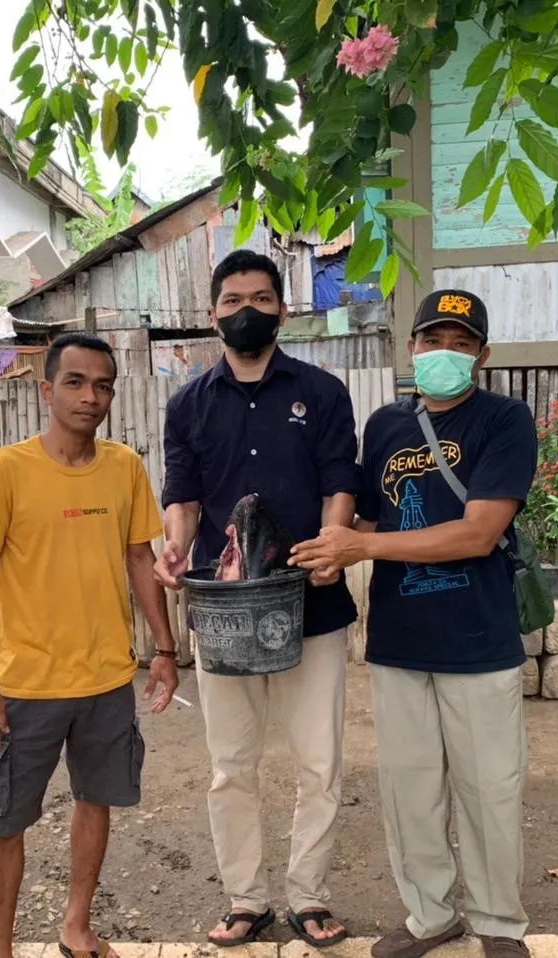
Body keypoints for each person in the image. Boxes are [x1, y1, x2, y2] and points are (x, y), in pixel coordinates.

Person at [289, 290, 538, 958]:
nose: (444, 353)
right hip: (399, 640)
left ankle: (498, 922)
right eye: (433, 340)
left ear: (483, 355)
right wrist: (326, 547)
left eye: (461, 343)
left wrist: (360, 547)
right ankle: (431, 916)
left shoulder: (505, 420)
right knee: (410, 791)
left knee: (489, 791)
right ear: (411, 348)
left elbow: (479, 533)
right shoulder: (387, 425)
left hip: (479, 640)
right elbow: (369, 519)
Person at [154, 249, 362, 949]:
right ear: (213, 314)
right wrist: (175, 546)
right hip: (224, 612)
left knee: (319, 763)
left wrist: (331, 546)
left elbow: (340, 482)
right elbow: (183, 497)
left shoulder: (323, 393)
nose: (248, 310)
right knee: (230, 766)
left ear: (282, 309)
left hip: (311, 601)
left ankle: (309, 896)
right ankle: (246, 900)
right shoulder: (187, 404)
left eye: (262, 299)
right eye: (234, 300)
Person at [0, 332, 180, 958]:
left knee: (96, 801)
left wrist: (165, 650)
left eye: (103, 385)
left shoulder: (124, 467)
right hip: (26, 686)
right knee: (6, 821)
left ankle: (76, 926)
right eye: (76, 382)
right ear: (46, 390)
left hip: (107, 679)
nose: (90, 397)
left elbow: (140, 559)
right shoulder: (4, 470)